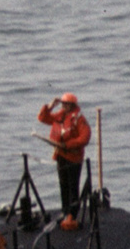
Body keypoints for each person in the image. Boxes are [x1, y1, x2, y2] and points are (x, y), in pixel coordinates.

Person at [39, 92, 91, 223]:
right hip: (61, 155)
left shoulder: (79, 119)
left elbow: (84, 138)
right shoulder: (61, 115)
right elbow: (43, 118)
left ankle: (72, 215)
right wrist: (49, 106)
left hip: (73, 157)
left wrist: (67, 145)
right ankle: (65, 211)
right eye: (62, 104)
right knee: (63, 185)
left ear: (72, 105)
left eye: (66, 104)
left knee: (73, 186)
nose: (63, 106)